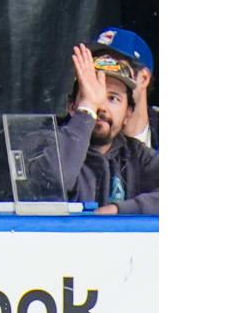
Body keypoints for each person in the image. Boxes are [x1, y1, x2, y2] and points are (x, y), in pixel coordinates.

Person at [22, 44, 158, 215]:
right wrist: (88, 109)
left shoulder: (137, 155)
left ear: (127, 114)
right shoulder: (44, 142)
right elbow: (55, 181)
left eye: (113, 98)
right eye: (90, 93)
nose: (101, 106)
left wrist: (120, 210)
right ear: (72, 106)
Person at [84, 27, 156, 150]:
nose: (103, 76)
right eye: (97, 65)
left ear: (144, 78)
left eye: (115, 67)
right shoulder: (72, 137)